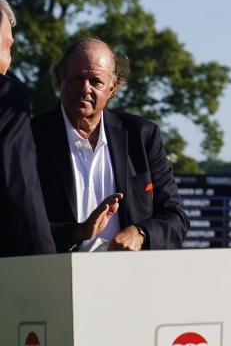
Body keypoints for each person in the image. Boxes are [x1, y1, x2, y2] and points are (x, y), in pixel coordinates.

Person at [32, 38, 188, 252]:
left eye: (96, 81)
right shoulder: (30, 137)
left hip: (127, 278)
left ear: (112, 88)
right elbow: (15, 221)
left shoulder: (141, 136)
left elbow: (176, 218)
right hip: (56, 277)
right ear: (60, 79)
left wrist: (140, 233)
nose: (85, 88)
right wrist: (76, 233)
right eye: (77, 78)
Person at [0, 0, 56, 257]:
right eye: (7, 46)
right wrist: (45, 263)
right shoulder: (6, 95)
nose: (9, 60)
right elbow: (19, 186)